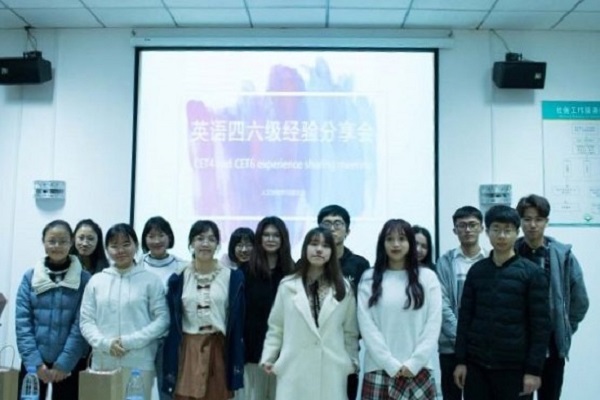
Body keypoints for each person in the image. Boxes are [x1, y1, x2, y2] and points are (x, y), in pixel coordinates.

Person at [453, 205, 551, 400]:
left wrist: (533, 370)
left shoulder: (533, 274)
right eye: (496, 229)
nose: (502, 236)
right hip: (476, 366)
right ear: (487, 232)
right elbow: (465, 319)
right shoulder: (477, 271)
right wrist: (461, 361)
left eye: (508, 230)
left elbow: (540, 327)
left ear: (517, 232)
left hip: (515, 369)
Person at [260, 227, 359, 400]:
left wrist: (351, 361)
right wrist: (269, 356)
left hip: (332, 370)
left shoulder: (344, 288)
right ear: (305, 248)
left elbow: (350, 332)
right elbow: (276, 327)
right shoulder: (288, 286)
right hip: (294, 369)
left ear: (332, 252)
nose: (319, 249)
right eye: (314, 244)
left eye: (325, 246)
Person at [80, 223, 169, 400]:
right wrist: (106, 344)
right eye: (114, 246)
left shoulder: (150, 280)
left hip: (139, 362)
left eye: (126, 244)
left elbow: (162, 319)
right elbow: (86, 321)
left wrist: (129, 341)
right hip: (103, 362)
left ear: (136, 245)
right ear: (106, 249)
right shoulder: (96, 281)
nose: (120, 250)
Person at [515, 194, 589, 400]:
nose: (532, 225)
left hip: (552, 344)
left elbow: (580, 300)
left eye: (538, 219)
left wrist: (565, 327)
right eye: (527, 219)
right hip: (519, 344)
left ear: (546, 222)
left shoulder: (562, 255)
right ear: (520, 221)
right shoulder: (511, 251)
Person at [358, 219, 442, 400]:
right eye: (390, 239)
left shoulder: (428, 277)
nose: (396, 244)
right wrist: (389, 362)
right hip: (378, 368)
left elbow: (433, 324)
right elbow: (367, 325)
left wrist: (415, 362)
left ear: (410, 242)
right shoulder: (369, 278)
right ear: (382, 243)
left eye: (402, 239)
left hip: (418, 369)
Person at [162, 220, 245, 400]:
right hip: (188, 349)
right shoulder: (179, 277)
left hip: (218, 348)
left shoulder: (233, 277)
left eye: (211, 239)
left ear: (218, 245)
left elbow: (238, 320)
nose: (205, 244)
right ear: (191, 243)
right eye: (200, 238)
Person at [16, 220, 91, 400]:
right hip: (33, 363)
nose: (57, 246)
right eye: (52, 241)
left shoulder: (84, 279)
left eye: (63, 241)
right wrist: (34, 363)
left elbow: (81, 324)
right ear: (43, 242)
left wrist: (65, 363)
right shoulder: (30, 277)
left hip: (71, 364)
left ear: (71, 243)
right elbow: (22, 323)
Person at [317, 204, 369, 399]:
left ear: (347, 231)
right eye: (326, 224)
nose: (332, 228)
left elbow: (365, 306)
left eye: (338, 224)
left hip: (346, 345)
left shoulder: (360, 264)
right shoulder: (307, 263)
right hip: (314, 345)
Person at [435, 206, 487, 400]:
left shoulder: (491, 260)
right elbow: (442, 304)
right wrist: (462, 339)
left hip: (483, 346)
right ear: (454, 230)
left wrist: (475, 339)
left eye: (472, 225)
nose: (467, 230)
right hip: (451, 346)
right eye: (462, 225)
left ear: (481, 228)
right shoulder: (445, 261)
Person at [242, 216, 294, 400]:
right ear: (259, 238)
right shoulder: (245, 271)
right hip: (253, 351)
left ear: (283, 239)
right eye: (266, 235)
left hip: (285, 352)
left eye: (276, 235)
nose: (271, 239)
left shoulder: (293, 272)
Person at [141, 216, 188, 400]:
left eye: (161, 235)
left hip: (170, 339)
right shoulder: (137, 265)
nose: (157, 241)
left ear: (169, 237)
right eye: (151, 236)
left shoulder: (182, 266)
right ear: (145, 239)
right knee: (138, 388)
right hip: (142, 338)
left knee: (168, 390)